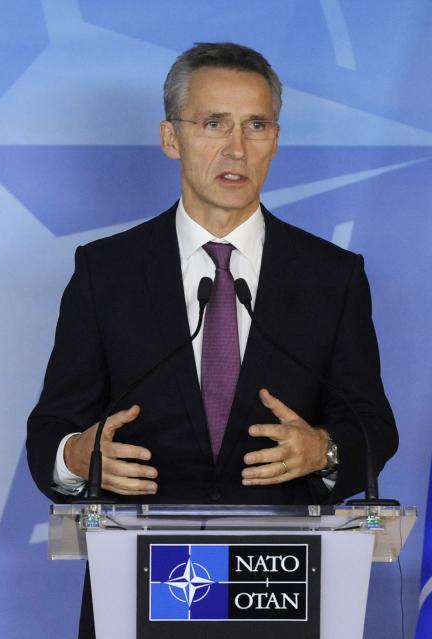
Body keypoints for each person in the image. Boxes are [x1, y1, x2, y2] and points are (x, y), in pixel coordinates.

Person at [26, 42, 397, 637]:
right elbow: (51, 427)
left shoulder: (331, 277)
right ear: (172, 138)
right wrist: (78, 455)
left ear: (276, 139)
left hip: (281, 585)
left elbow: (373, 425)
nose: (236, 148)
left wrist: (324, 451)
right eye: (213, 123)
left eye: (256, 125)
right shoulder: (107, 271)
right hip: (140, 586)